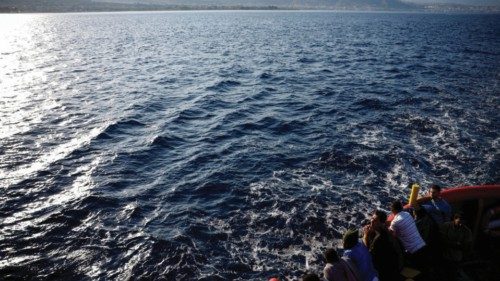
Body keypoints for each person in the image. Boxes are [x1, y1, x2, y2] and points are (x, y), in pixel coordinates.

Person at [363, 210, 402, 281]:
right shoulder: (385, 231)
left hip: (385, 272)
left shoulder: (379, 238)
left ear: (381, 223)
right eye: (372, 218)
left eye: (375, 220)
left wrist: (365, 235)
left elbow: (368, 254)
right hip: (395, 265)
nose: (371, 221)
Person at [389, 201, 427, 270]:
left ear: (393, 210)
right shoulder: (407, 214)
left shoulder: (395, 222)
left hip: (413, 251)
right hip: (422, 244)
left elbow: (391, 235)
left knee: (416, 271)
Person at [440, 212, 473, 281]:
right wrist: (456, 244)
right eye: (459, 221)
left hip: (456, 258)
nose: (461, 224)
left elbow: (465, 247)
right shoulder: (446, 226)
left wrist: (450, 243)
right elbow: (441, 240)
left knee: (452, 275)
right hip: (444, 256)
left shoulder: (467, 231)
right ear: (455, 219)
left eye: (463, 222)